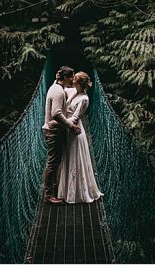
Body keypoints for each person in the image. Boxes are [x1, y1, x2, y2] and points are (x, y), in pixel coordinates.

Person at [56, 71, 104, 204]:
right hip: (69, 129)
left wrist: (60, 122)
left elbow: (75, 118)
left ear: (78, 83)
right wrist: (58, 78)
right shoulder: (73, 92)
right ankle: (68, 191)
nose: (71, 80)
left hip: (75, 131)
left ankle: (77, 193)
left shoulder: (84, 99)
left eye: (74, 79)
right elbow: (62, 87)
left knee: (75, 160)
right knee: (69, 159)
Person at [40, 66, 80, 205]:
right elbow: (56, 113)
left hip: (54, 129)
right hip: (54, 132)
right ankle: (48, 196)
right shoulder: (58, 92)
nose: (73, 79)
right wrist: (71, 125)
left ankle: (53, 190)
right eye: (71, 77)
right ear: (65, 78)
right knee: (53, 162)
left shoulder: (56, 87)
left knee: (55, 161)